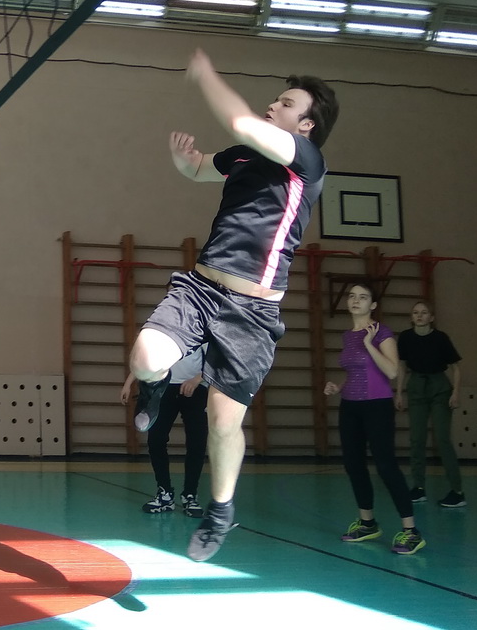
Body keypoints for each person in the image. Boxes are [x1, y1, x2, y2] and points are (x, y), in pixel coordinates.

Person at [122, 48, 338, 561]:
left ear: (306, 125)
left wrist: (205, 74)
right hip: (201, 287)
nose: (274, 105)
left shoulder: (306, 161)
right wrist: (184, 161)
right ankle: (153, 392)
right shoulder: (243, 155)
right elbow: (201, 169)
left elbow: (240, 120)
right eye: (276, 99)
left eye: (286, 103)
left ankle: (219, 511)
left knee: (222, 421)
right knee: (146, 358)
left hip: (252, 311)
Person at [324, 282, 425, 555]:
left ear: (373, 305)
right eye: (352, 296)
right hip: (350, 407)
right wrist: (339, 386)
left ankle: (411, 531)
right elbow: (356, 372)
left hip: (377, 406)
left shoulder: (382, 332)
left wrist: (369, 344)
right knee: (353, 465)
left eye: (363, 297)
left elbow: (392, 372)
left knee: (386, 466)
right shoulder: (347, 335)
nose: (356, 300)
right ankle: (367, 523)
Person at [396, 300, 465, 508]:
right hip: (416, 387)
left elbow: (456, 368)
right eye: (416, 312)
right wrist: (398, 392)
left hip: (439, 387)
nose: (419, 315)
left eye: (424, 312)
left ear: (431, 317)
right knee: (416, 439)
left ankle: (457, 491)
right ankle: (418, 488)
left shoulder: (441, 338)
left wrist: (455, 392)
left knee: (442, 439)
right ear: (411, 317)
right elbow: (401, 366)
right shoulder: (406, 337)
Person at [137, 349, 208, 518]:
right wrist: (129, 382)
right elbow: (143, 356)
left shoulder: (205, 333)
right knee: (155, 440)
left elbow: (217, 361)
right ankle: (164, 493)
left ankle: (190, 495)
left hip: (196, 389)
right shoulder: (162, 333)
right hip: (164, 389)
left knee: (197, 443)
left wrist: (197, 379)